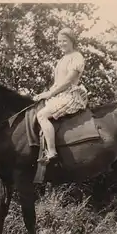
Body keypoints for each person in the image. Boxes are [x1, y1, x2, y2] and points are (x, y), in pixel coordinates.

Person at [33, 27, 88, 163]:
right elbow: (58, 83)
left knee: (42, 115)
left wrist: (50, 93)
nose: (62, 44)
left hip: (71, 96)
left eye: (65, 41)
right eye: (59, 41)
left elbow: (68, 81)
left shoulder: (76, 57)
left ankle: (52, 152)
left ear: (72, 41)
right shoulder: (63, 58)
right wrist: (44, 94)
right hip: (60, 95)